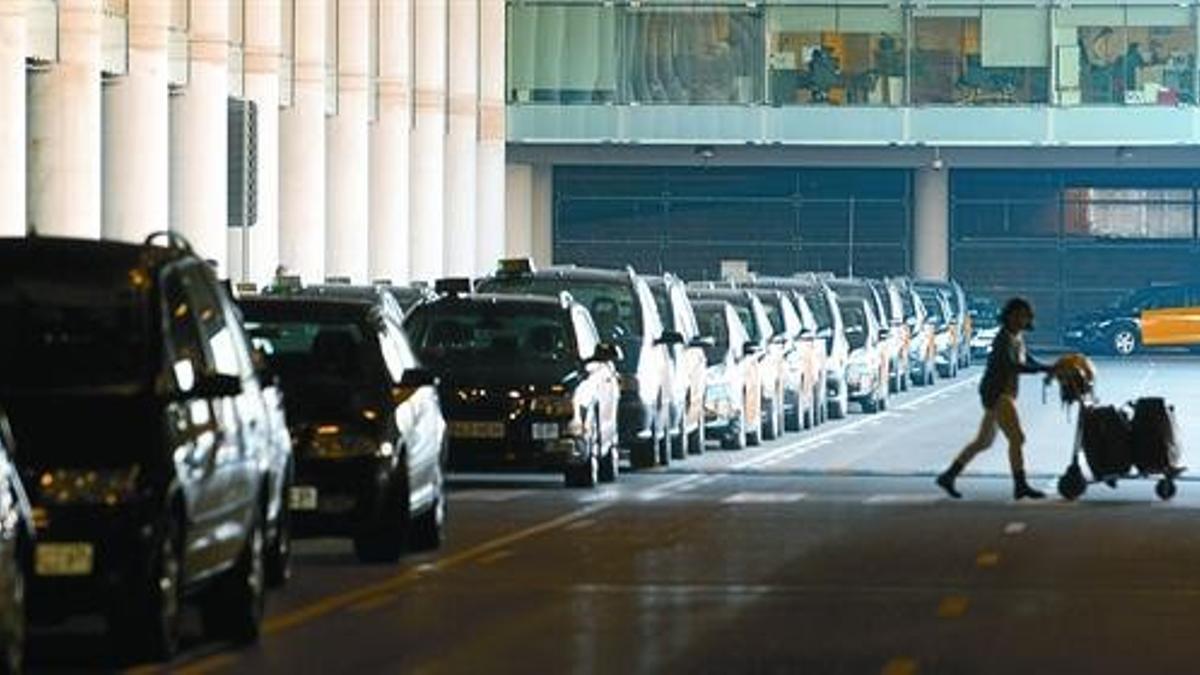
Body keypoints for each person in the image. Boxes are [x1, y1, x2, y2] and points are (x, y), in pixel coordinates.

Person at [936, 297, 1052, 500]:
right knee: (1017, 438)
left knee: (983, 441)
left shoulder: (1016, 337)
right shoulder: (1003, 339)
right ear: (1009, 316)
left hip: (1001, 394)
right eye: (1018, 316)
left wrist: (1047, 367)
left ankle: (949, 475)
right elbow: (1012, 365)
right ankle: (1020, 485)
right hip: (998, 394)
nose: (1021, 320)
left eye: (1024, 316)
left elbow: (1026, 359)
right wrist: (1042, 369)